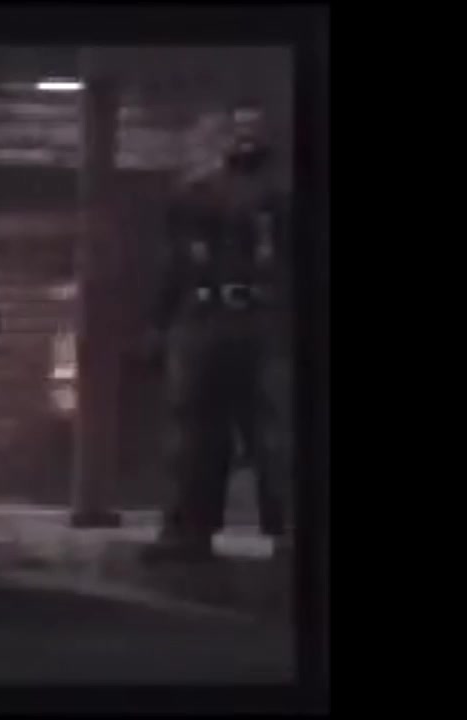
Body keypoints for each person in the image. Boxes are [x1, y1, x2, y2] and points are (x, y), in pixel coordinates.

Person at [142, 101, 292, 563]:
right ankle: (187, 529)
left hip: (266, 320)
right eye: (236, 126)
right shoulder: (193, 195)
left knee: (276, 431)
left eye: (253, 126)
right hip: (204, 317)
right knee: (193, 431)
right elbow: (173, 264)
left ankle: (289, 531)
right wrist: (159, 323)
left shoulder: (285, 193)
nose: (244, 135)